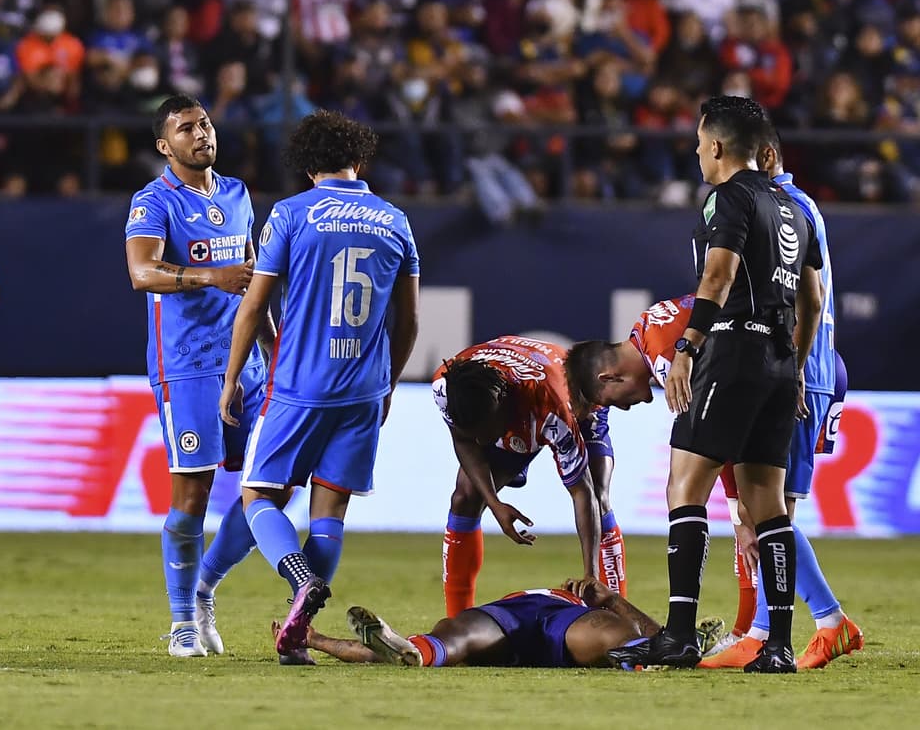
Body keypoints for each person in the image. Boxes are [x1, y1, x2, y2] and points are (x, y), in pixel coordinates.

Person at [611, 96, 824, 673]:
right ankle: (778, 646)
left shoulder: (727, 197)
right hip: (780, 361)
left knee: (685, 485)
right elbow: (813, 299)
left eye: (701, 145)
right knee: (768, 504)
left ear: (720, 147)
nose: (698, 154)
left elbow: (719, 274)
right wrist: (796, 366)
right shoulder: (795, 209)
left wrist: (687, 346)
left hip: (730, 352)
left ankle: (680, 633)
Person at [218, 110, 420, 664]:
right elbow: (409, 322)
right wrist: (388, 384)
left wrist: (232, 378)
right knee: (329, 513)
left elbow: (254, 305)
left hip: (299, 386)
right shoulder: (395, 220)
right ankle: (296, 634)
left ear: (307, 166)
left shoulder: (290, 214)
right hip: (364, 391)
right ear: (359, 160)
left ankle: (300, 579)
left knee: (258, 496)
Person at [699, 113, 862, 670]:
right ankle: (771, 628)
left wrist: (786, 364)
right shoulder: (798, 207)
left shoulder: (778, 206)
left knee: (769, 512)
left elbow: (798, 298)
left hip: (791, 368)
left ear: (764, 157)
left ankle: (826, 621)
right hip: (808, 367)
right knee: (770, 510)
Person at [124, 94, 275, 658]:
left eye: (204, 123)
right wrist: (210, 276)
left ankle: (205, 586)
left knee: (274, 485)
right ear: (165, 146)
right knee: (193, 493)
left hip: (248, 365)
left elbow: (253, 282)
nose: (201, 133)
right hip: (188, 367)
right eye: (186, 128)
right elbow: (142, 272)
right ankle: (183, 620)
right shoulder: (153, 201)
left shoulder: (237, 194)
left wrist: (274, 350)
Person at [432, 337, 605, 621]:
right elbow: (464, 440)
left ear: (502, 404)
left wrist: (590, 574)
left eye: (485, 430)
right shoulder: (447, 388)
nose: (481, 440)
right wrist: (495, 503)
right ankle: (457, 622)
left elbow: (581, 492)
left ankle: (613, 609)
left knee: (599, 494)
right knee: (464, 498)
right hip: (519, 405)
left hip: (575, 395)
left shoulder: (553, 410)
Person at [301, 577, 687, 669]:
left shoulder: (580, 601)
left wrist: (611, 599)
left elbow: (661, 634)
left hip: (514, 617)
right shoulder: (577, 604)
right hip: (532, 616)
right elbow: (658, 634)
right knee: (614, 632)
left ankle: (416, 649)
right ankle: (639, 656)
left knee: (454, 638)